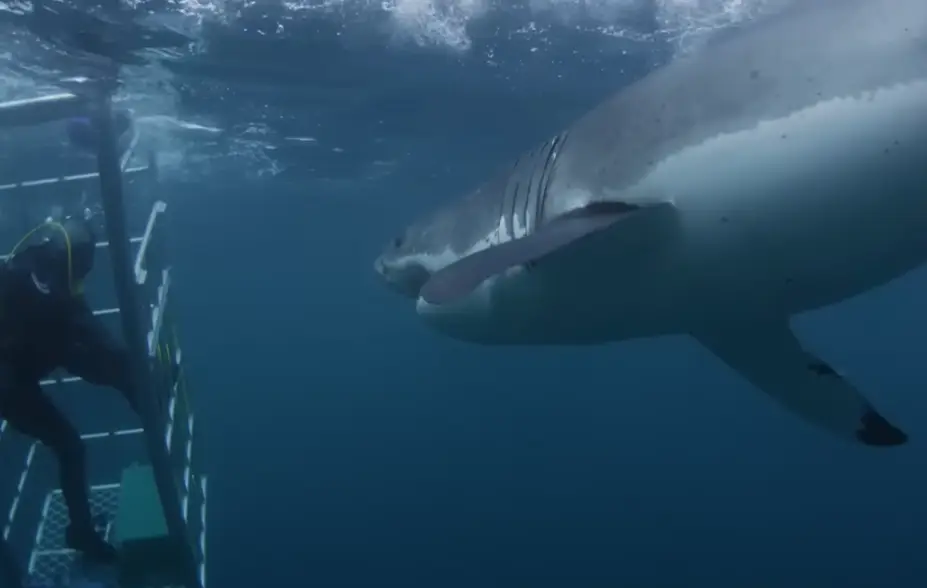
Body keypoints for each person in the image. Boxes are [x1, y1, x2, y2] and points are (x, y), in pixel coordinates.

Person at [0, 213, 137, 563]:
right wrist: (133, 366)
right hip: (10, 383)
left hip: (25, 354)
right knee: (70, 446)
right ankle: (81, 533)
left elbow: (74, 329)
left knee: (88, 358)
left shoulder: (31, 263)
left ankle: (136, 390)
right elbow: (90, 330)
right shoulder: (55, 292)